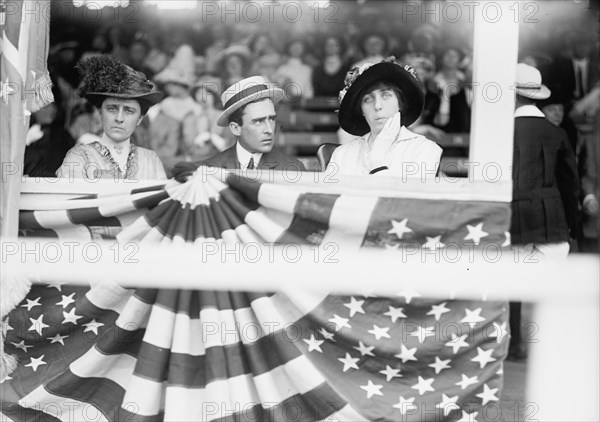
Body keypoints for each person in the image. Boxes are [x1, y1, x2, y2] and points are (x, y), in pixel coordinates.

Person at [508, 63, 581, 360]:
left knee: (512, 282)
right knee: (548, 283)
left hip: (511, 215)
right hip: (551, 218)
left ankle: (515, 343)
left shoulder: (501, 132)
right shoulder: (557, 133)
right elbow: (570, 186)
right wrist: (572, 226)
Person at [172, 76, 305, 181]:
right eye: (258, 121)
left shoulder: (293, 170)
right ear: (235, 128)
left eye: (271, 119)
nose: (269, 130)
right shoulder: (208, 171)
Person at [327, 56, 442, 176]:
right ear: (361, 110)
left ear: (400, 104)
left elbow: (404, 195)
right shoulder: (343, 154)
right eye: (368, 99)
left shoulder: (424, 150)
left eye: (386, 95)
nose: (377, 106)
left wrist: (378, 162)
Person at [57, 55, 166, 180]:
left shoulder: (150, 160)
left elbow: (160, 198)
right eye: (112, 109)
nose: (119, 118)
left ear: (140, 119)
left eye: (129, 111)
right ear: (100, 112)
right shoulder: (79, 157)